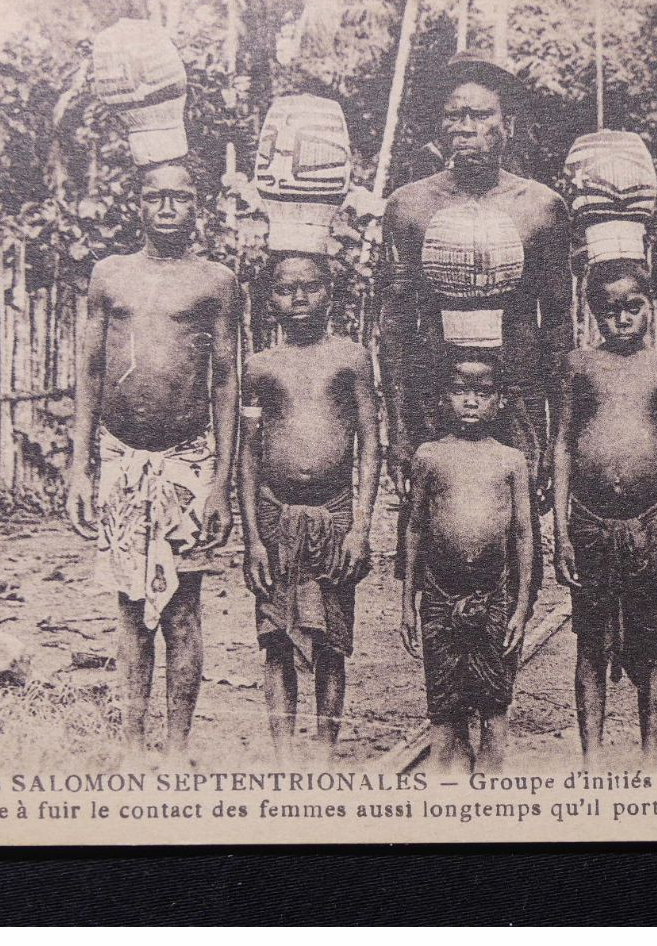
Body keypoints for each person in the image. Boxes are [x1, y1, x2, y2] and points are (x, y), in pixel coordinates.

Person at [376, 52, 573, 601]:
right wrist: (398, 427)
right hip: (433, 404)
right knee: (433, 550)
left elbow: (558, 332)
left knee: (513, 553)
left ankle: (498, 678)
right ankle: (442, 680)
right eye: (455, 115)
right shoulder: (410, 206)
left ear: (507, 124)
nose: (467, 129)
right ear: (440, 125)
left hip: (516, 404)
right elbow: (393, 326)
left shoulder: (540, 208)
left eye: (481, 116)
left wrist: (556, 436)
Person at [66, 160, 240, 757]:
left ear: (199, 206)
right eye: (155, 197)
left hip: (187, 458)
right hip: (120, 455)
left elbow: (225, 383)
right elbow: (90, 373)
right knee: (132, 606)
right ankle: (134, 745)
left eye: (180, 198)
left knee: (183, 608)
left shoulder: (215, 281)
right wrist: (79, 466)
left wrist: (220, 482)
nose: (167, 208)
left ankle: (176, 748)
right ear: (137, 204)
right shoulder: (109, 276)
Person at [239, 253, 379, 765]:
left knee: (331, 640)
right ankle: (282, 756)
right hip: (276, 516)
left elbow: (371, 444)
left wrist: (359, 527)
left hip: (335, 514)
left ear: (331, 293)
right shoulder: (259, 366)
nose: (298, 300)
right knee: (276, 636)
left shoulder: (351, 358)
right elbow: (248, 454)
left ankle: (323, 751)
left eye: (311, 288)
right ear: (269, 299)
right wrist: (253, 537)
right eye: (284, 290)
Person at [553, 260, 657, 765]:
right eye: (610, 311)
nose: (623, 319)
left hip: (647, 525)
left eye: (633, 307)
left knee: (649, 644)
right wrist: (562, 533)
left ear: (651, 308)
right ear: (594, 314)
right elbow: (563, 444)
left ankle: (651, 760)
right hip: (588, 523)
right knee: (590, 643)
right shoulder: (579, 366)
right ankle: (592, 761)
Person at [399, 347, 534, 775]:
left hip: (494, 593)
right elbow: (415, 529)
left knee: (495, 701)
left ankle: (491, 788)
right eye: (460, 391)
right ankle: (448, 786)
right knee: (444, 704)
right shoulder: (429, 456)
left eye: (482, 391)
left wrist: (520, 606)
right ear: (443, 398)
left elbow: (524, 535)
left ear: (500, 401)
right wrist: (408, 602)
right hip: (439, 594)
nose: (471, 400)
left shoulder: (511, 460)